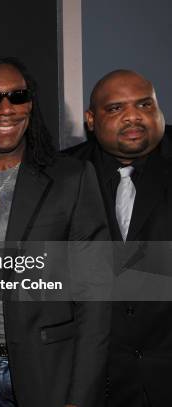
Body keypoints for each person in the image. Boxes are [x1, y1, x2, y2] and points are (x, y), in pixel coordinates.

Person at [0, 57, 111, 407]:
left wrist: (80, 395)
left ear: (30, 104)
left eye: (17, 96)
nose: (5, 108)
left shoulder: (71, 179)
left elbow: (96, 299)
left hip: (50, 373)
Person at [64, 69, 172, 407]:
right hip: (98, 384)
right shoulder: (59, 175)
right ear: (91, 120)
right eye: (115, 109)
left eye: (144, 104)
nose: (133, 116)